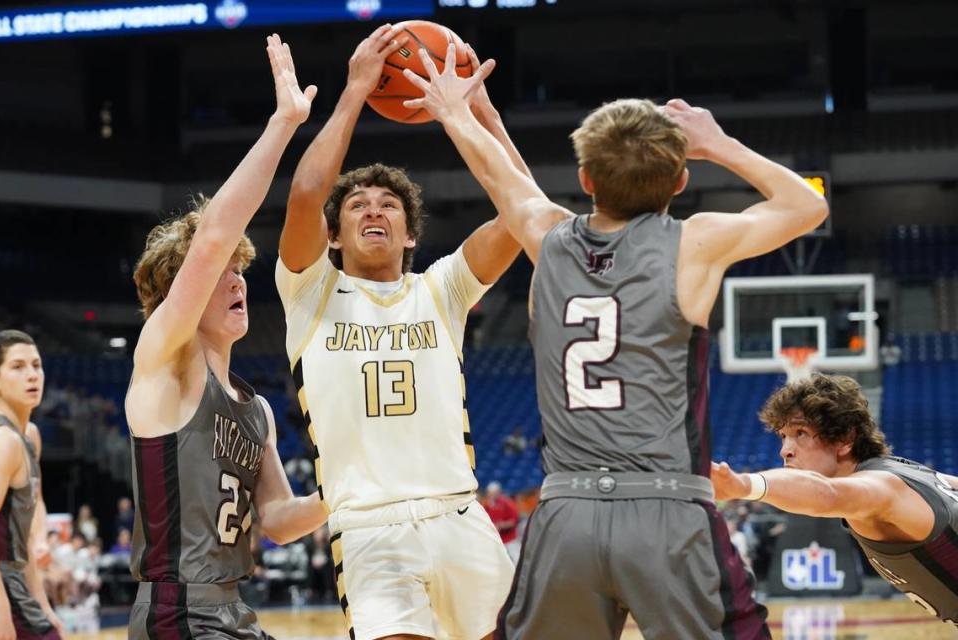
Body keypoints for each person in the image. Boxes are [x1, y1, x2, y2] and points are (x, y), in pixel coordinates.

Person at [405, 43, 828, 639]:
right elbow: (805, 206)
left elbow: (507, 185)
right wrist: (716, 142)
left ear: (584, 179)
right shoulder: (695, 241)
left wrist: (459, 114)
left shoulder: (546, 236)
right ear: (680, 180)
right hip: (667, 512)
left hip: (566, 517)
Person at [277, 26, 524, 640]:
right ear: (333, 237)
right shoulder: (309, 292)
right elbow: (308, 195)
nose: (372, 210)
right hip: (369, 526)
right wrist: (358, 89)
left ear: (411, 234)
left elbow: (523, 211)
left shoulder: (442, 290)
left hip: (459, 514)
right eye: (356, 205)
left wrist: (479, 113)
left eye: (388, 204)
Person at [125, 34, 326, 639]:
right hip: (177, 611)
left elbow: (281, 520)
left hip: (232, 610)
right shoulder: (164, 360)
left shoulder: (256, 407)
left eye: (242, 271)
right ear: (177, 293)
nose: (237, 281)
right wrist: (284, 124)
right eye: (221, 274)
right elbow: (212, 235)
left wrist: (357, 485)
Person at [712, 373, 958, 623]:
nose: (784, 450)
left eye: (801, 433)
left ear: (844, 440)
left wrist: (744, 485)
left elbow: (826, 494)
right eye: (783, 436)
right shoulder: (908, 471)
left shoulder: (881, 489)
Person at [0, 330, 64, 639]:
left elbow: (21, 543)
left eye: (36, 365)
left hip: (16, 583)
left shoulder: (29, 436)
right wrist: (1, 617)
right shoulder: (4, 442)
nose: (32, 375)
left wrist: (43, 605)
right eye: (18, 366)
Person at [482, 482, 521, 564]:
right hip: (495, 539)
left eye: (493, 493)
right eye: (489, 493)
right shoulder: (486, 504)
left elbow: (514, 520)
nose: (491, 495)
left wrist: (502, 525)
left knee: (516, 559)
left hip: (509, 539)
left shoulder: (507, 503)